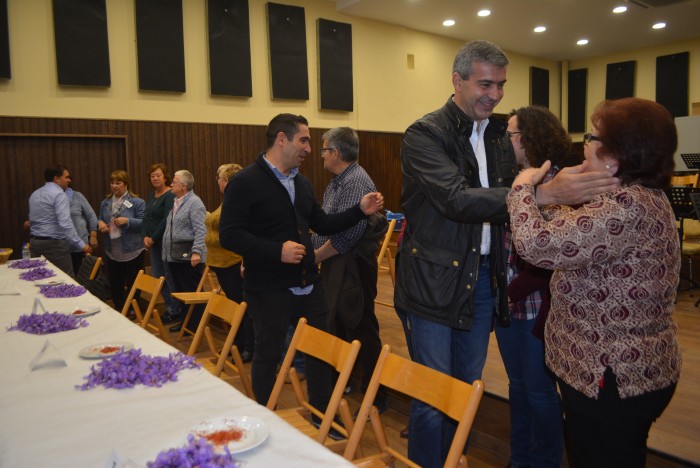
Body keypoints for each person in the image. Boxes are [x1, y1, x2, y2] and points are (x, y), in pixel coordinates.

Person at [394, 39, 620, 467]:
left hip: (481, 280)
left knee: (467, 386)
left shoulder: (498, 137)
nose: (494, 95)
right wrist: (540, 192)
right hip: (433, 284)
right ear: (456, 81)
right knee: (432, 395)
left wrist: (549, 191)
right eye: (485, 84)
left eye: (500, 85)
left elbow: (510, 211)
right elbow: (456, 200)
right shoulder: (424, 134)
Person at [507, 97, 681, 468]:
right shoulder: (637, 198)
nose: (583, 144)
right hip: (629, 374)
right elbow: (574, 236)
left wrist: (523, 189)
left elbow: (536, 246)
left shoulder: (625, 208)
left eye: (591, 136)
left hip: (613, 377)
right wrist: (554, 198)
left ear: (615, 157)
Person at [218, 113, 384, 410]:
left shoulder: (302, 183)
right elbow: (230, 236)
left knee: (319, 354)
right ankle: (269, 421)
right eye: (304, 140)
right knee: (268, 355)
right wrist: (275, 251)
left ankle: (323, 418)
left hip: (309, 284)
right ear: (281, 139)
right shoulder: (245, 182)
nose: (310, 148)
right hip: (269, 288)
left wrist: (360, 211)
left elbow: (322, 224)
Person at [495, 106, 577, 468]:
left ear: (531, 138)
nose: (507, 141)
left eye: (512, 134)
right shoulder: (516, 179)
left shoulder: (558, 184)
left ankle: (545, 462)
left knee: (541, 391)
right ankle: (520, 459)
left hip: (537, 306)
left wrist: (510, 290)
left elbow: (555, 253)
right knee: (518, 387)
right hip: (509, 303)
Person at [312, 126, 387, 411]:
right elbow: (327, 224)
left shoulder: (355, 181)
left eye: (323, 150)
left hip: (351, 265)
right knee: (340, 324)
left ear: (336, 152)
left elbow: (347, 236)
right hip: (337, 262)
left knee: (361, 326)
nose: (320, 156)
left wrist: (316, 257)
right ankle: (346, 384)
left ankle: (375, 397)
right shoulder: (337, 181)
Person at [206, 163, 255, 362]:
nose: (217, 180)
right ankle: (238, 343)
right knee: (236, 307)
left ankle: (247, 347)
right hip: (222, 264)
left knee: (242, 308)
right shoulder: (227, 200)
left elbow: (244, 232)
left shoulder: (239, 201)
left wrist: (245, 260)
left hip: (233, 263)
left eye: (219, 177)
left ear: (227, 181)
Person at [162, 169, 207, 333]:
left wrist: (197, 251)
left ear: (184, 185)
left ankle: (195, 326)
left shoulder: (195, 203)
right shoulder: (176, 201)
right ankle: (186, 322)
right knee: (181, 292)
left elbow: (201, 230)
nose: (171, 184)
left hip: (189, 257)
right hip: (175, 256)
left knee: (192, 292)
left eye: (174, 181)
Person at [28, 165, 92, 277]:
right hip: (54, 246)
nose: (69, 180)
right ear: (56, 178)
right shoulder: (59, 194)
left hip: (35, 244)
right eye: (66, 177)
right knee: (65, 281)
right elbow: (65, 224)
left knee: (40, 279)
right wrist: (82, 245)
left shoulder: (35, 194)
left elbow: (31, 221)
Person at [97, 170, 145, 312]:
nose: (114, 186)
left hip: (132, 249)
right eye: (112, 183)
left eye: (118, 183)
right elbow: (100, 218)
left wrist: (127, 221)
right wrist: (99, 223)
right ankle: (119, 309)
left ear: (126, 184)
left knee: (133, 283)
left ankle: (132, 310)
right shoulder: (105, 203)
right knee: (115, 283)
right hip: (113, 249)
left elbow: (144, 223)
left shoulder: (137, 202)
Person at [141, 163, 179, 324]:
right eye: (152, 176)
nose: (155, 178)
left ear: (165, 177)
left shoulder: (169, 195)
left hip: (163, 242)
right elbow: (145, 218)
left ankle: (174, 309)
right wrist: (144, 236)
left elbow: (166, 219)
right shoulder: (151, 195)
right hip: (152, 243)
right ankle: (171, 308)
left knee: (166, 277)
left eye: (158, 175)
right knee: (158, 276)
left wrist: (153, 238)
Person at [66, 186, 99, 276]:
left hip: (81, 246)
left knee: (83, 277)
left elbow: (91, 216)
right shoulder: (53, 198)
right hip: (62, 248)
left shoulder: (77, 196)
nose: (68, 180)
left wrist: (93, 236)